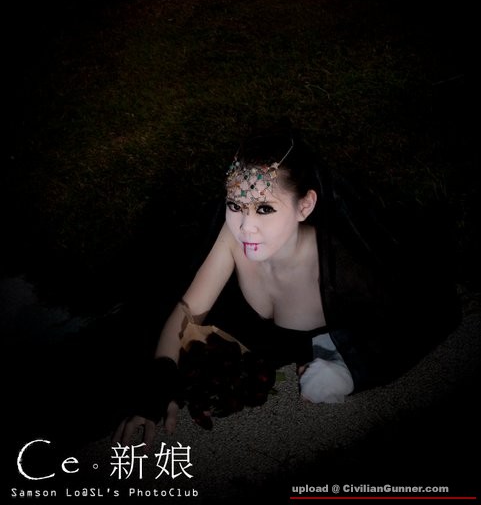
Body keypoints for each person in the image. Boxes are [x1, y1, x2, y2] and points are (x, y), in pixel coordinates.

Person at [114, 120, 461, 447]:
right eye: (235, 205)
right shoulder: (233, 238)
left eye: (264, 209)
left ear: (304, 206)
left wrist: (348, 368)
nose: (245, 227)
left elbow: (417, 320)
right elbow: (188, 311)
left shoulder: (340, 267)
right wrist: (156, 390)